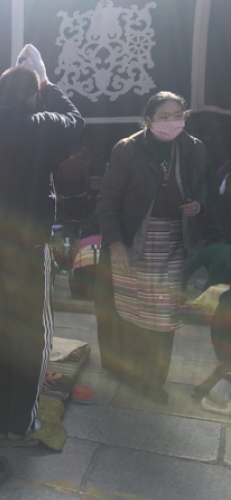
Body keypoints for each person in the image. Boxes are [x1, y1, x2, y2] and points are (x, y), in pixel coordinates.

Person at [0, 46, 84, 440]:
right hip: (28, 250)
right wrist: (46, 83)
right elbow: (76, 121)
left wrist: (11, 85)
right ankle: (20, 423)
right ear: (33, 97)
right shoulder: (42, 123)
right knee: (31, 333)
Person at [95, 91, 206, 405]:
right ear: (148, 119)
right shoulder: (128, 149)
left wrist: (197, 206)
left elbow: (203, 188)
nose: (173, 123)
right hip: (133, 239)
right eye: (164, 117)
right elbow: (108, 200)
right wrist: (115, 241)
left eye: (178, 115)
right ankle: (127, 372)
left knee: (163, 314)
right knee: (130, 310)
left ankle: (154, 380)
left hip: (174, 239)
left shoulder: (193, 147)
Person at [55, 144, 92, 240]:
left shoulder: (62, 165)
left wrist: (57, 193)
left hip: (66, 193)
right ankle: (75, 236)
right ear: (77, 152)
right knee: (77, 215)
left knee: (67, 215)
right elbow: (87, 179)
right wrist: (89, 192)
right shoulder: (83, 164)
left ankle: (66, 235)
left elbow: (58, 180)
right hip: (80, 193)